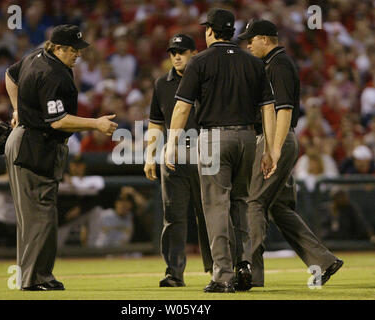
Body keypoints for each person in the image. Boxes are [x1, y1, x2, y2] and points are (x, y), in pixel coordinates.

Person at [165, 8, 277, 293]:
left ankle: (223, 275)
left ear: (211, 31)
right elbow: (268, 107)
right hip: (247, 139)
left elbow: (182, 107)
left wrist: (170, 144)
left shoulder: (200, 61)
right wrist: (270, 150)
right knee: (240, 202)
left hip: (214, 138)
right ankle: (244, 264)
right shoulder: (253, 62)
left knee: (215, 206)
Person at [4, 24, 118, 291]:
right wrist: (96, 124)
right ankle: (34, 279)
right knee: (41, 215)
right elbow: (57, 121)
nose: (77, 54)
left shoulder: (36, 55)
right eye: (72, 49)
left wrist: (17, 108)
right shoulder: (53, 73)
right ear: (57, 47)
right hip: (34, 146)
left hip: (25, 139)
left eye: (78, 48)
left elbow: (10, 76)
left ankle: (34, 276)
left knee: (34, 216)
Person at [237, 19, 343, 288]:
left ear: (265, 39)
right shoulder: (274, 63)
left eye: (252, 38)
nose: (248, 44)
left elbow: (283, 109)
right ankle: (323, 260)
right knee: (279, 206)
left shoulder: (279, 64)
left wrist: (273, 149)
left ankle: (252, 274)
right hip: (281, 141)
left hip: (277, 140)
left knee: (255, 202)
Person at [144, 34, 213, 287]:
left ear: (194, 53)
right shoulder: (162, 83)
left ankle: (217, 269)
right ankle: (174, 273)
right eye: (172, 52)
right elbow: (155, 122)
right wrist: (150, 156)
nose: (176, 56)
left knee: (208, 215)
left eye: (181, 51)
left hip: (205, 152)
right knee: (173, 217)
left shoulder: (207, 81)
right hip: (173, 156)